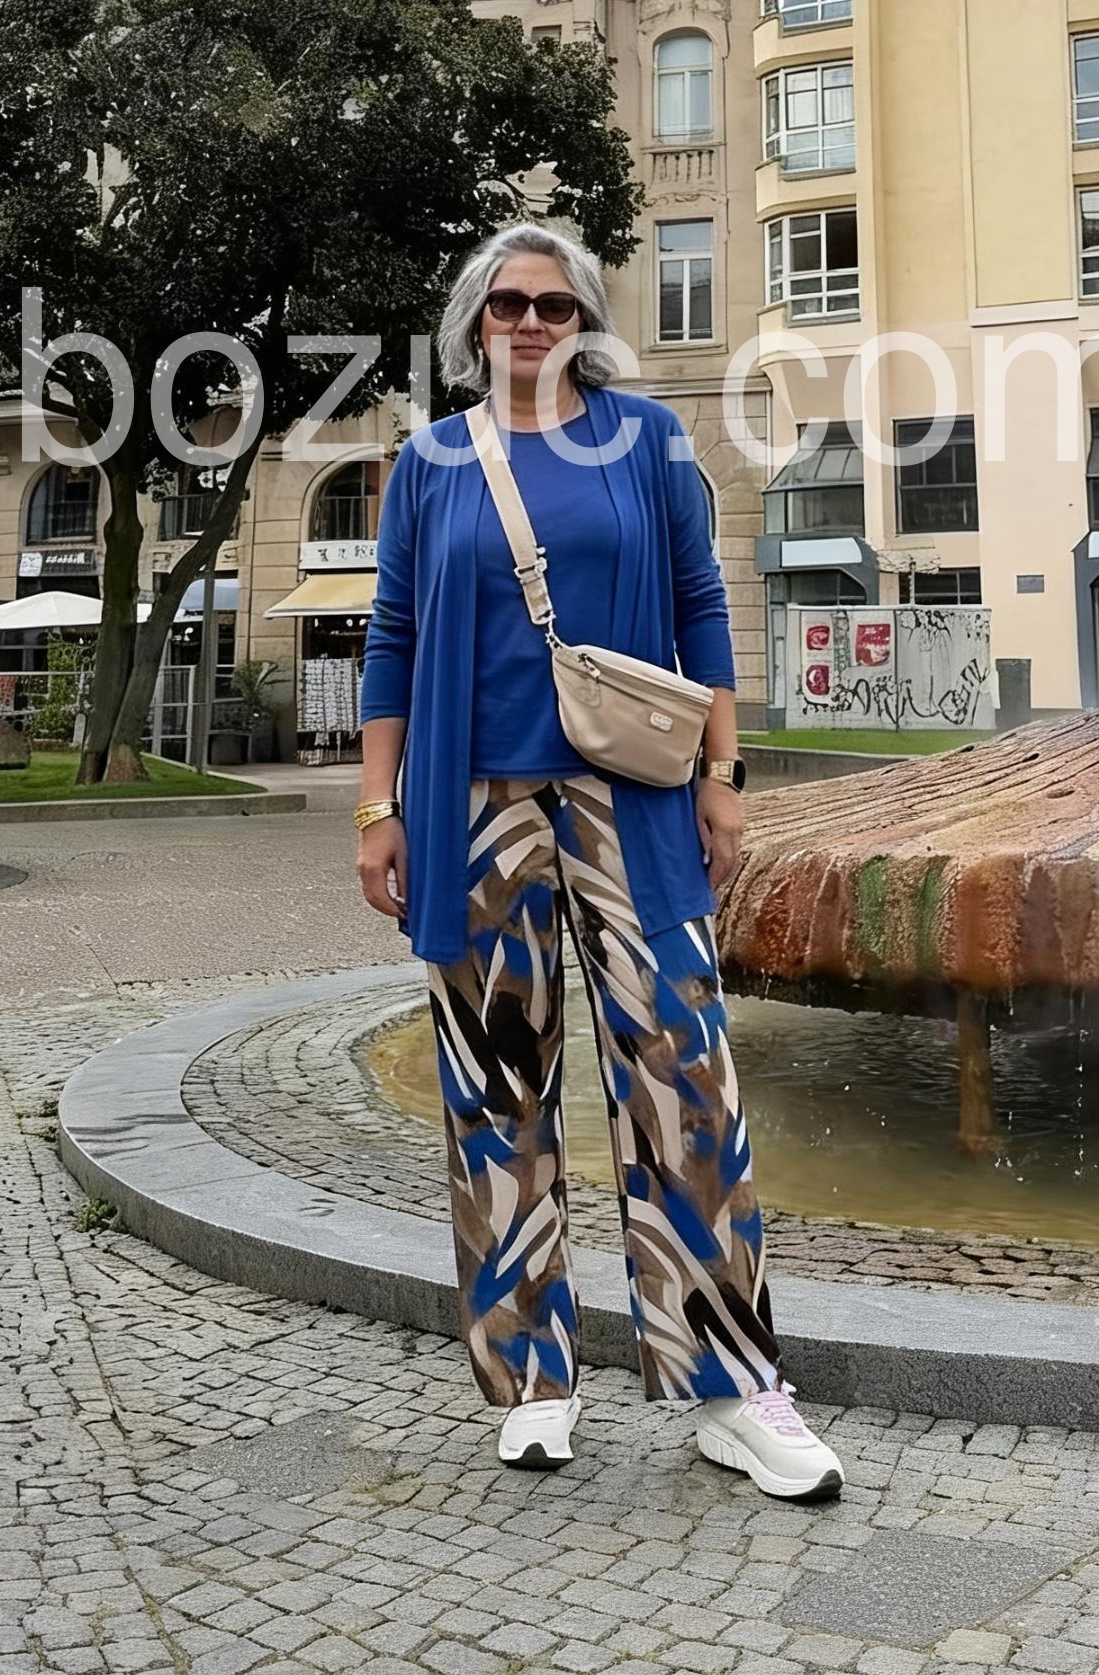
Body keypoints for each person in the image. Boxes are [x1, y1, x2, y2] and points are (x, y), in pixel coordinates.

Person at [357, 222, 844, 1502]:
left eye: (555, 304)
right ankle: (534, 1379)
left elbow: (702, 605)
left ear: (585, 322)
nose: (530, 322)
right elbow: (393, 636)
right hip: (473, 800)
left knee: (685, 1067)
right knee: (496, 1085)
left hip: (631, 793)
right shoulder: (432, 460)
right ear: (475, 323)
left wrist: (724, 772)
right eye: (508, 303)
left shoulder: (647, 442)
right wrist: (375, 806)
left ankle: (735, 1386)